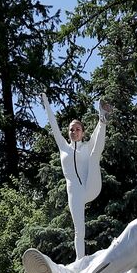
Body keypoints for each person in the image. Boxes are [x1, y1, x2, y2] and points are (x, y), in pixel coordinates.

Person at [41, 93, 110, 259]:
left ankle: (103, 118)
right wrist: (46, 102)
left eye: (78, 129)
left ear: (82, 133)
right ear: (68, 132)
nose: (74, 131)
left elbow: (96, 138)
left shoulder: (86, 146)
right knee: (79, 230)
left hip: (91, 186)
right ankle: (80, 262)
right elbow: (53, 125)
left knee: (94, 156)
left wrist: (100, 125)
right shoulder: (64, 147)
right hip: (75, 194)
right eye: (71, 129)